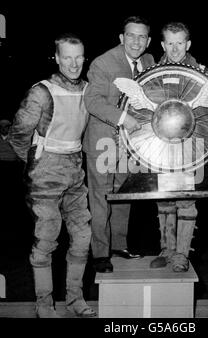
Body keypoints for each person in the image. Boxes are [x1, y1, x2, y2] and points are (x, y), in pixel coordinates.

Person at [8, 33, 96, 318]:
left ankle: (75, 300)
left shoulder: (88, 90)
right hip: (46, 173)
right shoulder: (42, 91)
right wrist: (37, 163)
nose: (73, 63)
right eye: (67, 57)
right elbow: (19, 135)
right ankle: (44, 306)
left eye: (78, 57)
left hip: (75, 171)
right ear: (57, 58)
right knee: (46, 240)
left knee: (82, 237)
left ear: (85, 58)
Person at [83, 16, 155, 273]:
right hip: (103, 140)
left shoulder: (149, 62)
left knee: (124, 194)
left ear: (148, 41)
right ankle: (100, 253)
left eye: (141, 36)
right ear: (121, 38)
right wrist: (124, 119)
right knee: (101, 197)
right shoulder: (104, 62)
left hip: (131, 144)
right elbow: (92, 101)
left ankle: (118, 245)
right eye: (131, 36)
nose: (136, 41)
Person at [150, 22, 208, 272]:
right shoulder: (152, 73)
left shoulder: (202, 73)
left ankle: (182, 254)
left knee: (186, 201)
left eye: (180, 43)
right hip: (161, 148)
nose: (175, 49)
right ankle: (167, 249)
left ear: (188, 44)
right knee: (164, 200)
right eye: (170, 43)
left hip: (190, 147)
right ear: (163, 44)